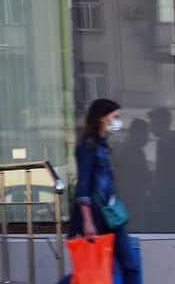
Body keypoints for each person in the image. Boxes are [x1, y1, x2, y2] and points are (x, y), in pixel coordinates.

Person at [59, 98, 140, 284]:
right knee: (91, 270)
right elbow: (83, 186)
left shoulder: (102, 145)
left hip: (110, 216)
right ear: (102, 118)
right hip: (96, 217)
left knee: (129, 266)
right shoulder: (87, 146)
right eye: (115, 117)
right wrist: (88, 222)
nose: (118, 122)